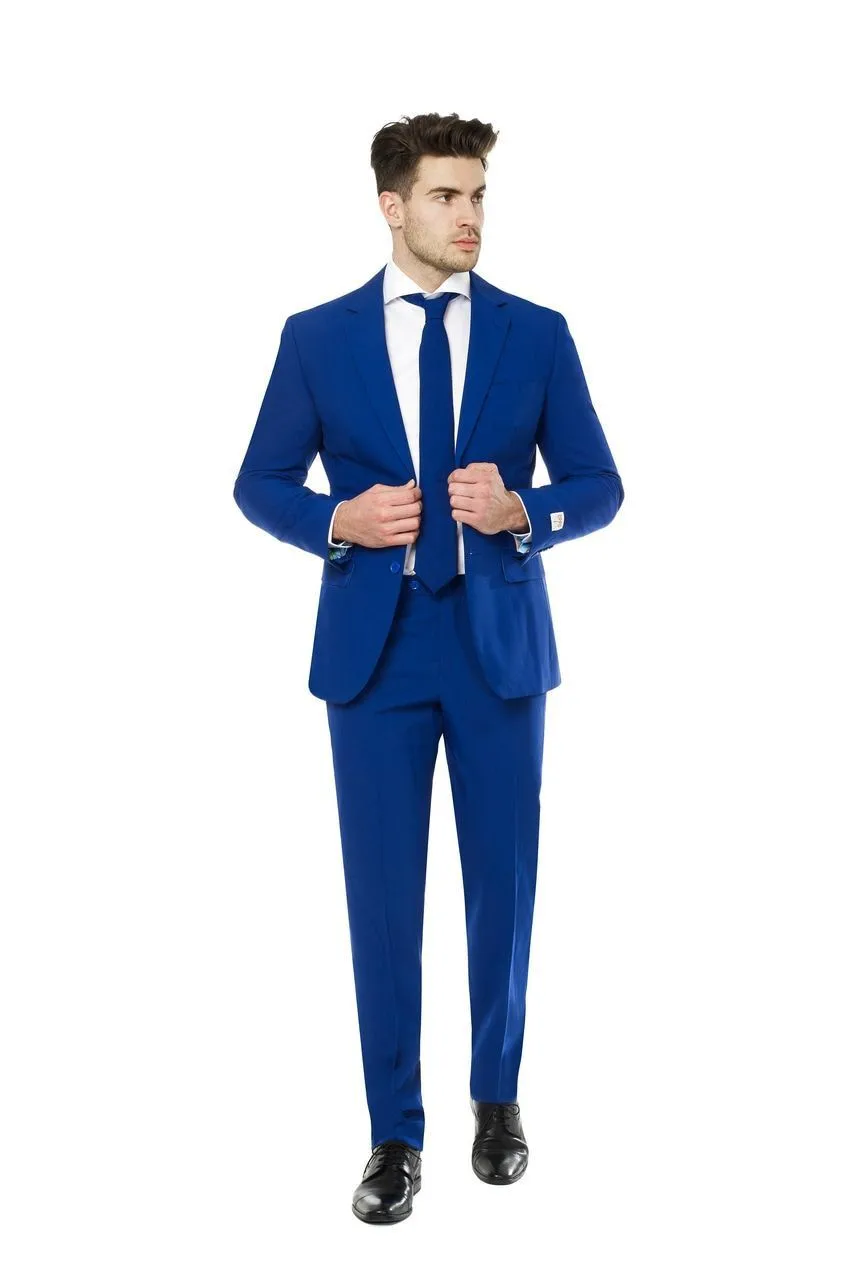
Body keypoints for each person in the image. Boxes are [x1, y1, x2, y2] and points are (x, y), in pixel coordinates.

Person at [233, 111, 624, 1224]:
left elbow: (600, 484)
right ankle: (393, 1134)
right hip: (376, 652)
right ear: (392, 205)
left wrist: (523, 509)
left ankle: (497, 1099)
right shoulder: (318, 337)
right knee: (382, 899)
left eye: (480, 194)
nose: (471, 216)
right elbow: (260, 481)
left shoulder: (535, 332)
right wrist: (337, 520)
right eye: (449, 196)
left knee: (504, 886)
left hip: (498, 648)